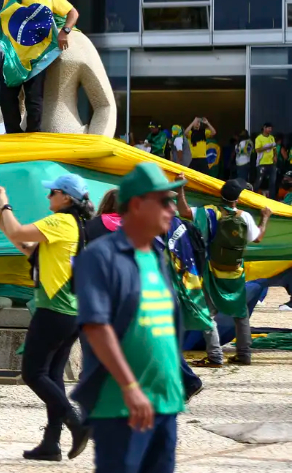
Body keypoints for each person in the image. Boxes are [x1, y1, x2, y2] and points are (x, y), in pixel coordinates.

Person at [73, 162, 189, 473]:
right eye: (163, 201)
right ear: (137, 205)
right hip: (121, 405)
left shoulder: (156, 256)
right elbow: (96, 327)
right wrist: (130, 386)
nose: (172, 208)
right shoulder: (100, 257)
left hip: (165, 402)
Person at [0, 173, 92, 461]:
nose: (48, 196)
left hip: (54, 310)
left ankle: (76, 422)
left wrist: (5, 203)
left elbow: (19, 231)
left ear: (66, 197)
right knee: (52, 376)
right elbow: (26, 247)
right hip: (70, 312)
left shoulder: (60, 221)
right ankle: (51, 443)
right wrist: (0, 221)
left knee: (33, 373)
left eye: (53, 192)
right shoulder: (73, 224)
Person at [176, 177, 271, 368]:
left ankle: (215, 356)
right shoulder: (245, 216)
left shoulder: (209, 212)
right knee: (241, 314)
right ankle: (244, 354)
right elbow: (258, 238)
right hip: (235, 272)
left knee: (208, 314)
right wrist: (265, 217)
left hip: (213, 271)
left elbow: (184, 212)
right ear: (238, 199)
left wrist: (180, 188)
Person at [0, 0, 78, 134]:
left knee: (33, 98)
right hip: (14, 56)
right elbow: (5, 17)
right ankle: (13, 134)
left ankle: (33, 134)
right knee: (6, 97)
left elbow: (73, 13)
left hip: (37, 56)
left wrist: (65, 31)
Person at [254, 123, 277, 198]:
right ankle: (254, 196)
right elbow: (257, 150)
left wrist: (275, 156)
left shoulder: (272, 137)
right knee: (259, 181)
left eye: (271, 128)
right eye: (268, 128)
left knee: (272, 182)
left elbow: (274, 148)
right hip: (262, 163)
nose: (270, 130)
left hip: (271, 163)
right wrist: (267, 147)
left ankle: (272, 198)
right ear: (264, 128)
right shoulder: (259, 138)